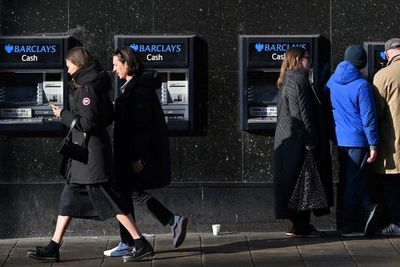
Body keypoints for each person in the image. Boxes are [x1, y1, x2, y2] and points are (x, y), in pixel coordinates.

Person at [27, 47, 153, 262]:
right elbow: (109, 117)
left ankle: (140, 242)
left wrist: (63, 115)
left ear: (78, 63)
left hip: (92, 156)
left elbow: (88, 123)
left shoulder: (88, 89)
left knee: (112, 201)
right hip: (83, 156)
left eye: (69, 66)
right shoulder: (90, 85)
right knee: (68, 199)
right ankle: (53, 246)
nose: (67, 71)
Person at [103, 46, 188, 258]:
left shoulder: (138, 89)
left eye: (116, 65)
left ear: (127, 63)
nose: (114, 70)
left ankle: (167, 222)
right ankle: (131, 240)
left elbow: (142, 126)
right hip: (127, 153)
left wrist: (137, 157)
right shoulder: (133, 86)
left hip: (131, 154)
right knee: (127, 193)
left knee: (127, 194)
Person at [273, 47, 333, 237]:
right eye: (307, 58)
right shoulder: (298, 80)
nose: (310, 62)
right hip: (298, 144)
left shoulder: (288, 79)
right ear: (298, 59)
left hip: (289, 141)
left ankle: (300, 225)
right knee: (301, 184)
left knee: (298, 184)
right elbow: (301, 114)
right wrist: (310, 139)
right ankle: (299, 226)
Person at [325, 45, 380, 237]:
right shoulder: (362, 85)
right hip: (358, 140)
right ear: (361, 64)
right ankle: (349, 225)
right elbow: (369, 117)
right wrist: (373, 144)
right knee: (354, 182)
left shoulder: (332, 81)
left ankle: (363, 212)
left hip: (340, 139)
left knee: (349, 179)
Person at [370, 38, 400, 236]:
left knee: (394, 185)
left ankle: (398, 223)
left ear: (388, 53)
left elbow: (375, 110)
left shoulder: (383, 75)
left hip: (394, 140)